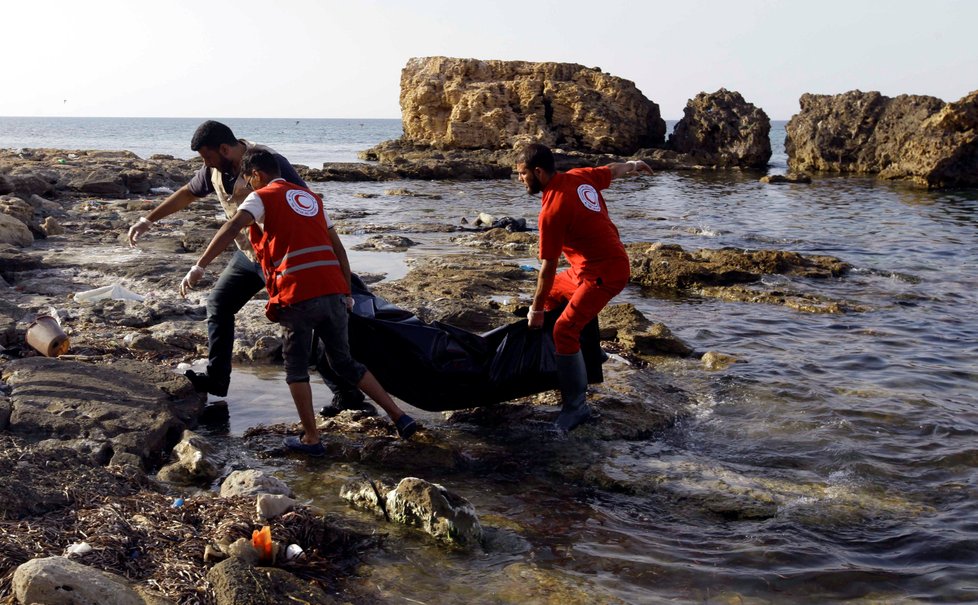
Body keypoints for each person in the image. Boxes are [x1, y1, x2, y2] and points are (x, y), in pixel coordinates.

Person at [180, 148, 418, 455]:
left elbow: (231, 227)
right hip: (333, 290)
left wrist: (199, 266)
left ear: (257, 175)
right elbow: (340, 251)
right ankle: (400, 416)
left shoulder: (262, 196)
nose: (248, 186)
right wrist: (346, 293)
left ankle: (311, 438)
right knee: (344, 362)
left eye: (248, 180)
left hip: (298, 293)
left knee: (295, 369)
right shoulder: (311, 199)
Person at [127, 120, 370, 415]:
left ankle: (347, 395)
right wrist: (148, 220)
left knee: (313, 319)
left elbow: (307, 206)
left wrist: (329, 263)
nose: (205, 164)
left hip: (285, 261)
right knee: (218, 303)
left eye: (207, 157)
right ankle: (217, 379)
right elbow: (187, 193)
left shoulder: (271, 163)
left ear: (225, 148)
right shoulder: (214, 172)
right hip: (250, 256)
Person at [516, 143, 653, 433]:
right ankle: (589, 356)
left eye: (522, 174)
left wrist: (536, 310)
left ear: (538, 172)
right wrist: (632, 163)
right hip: (584, 270)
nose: (520, 180)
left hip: (605, 273)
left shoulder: (552, 209)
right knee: (555, 294)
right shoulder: (579, 175)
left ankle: (576, 407)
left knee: (563, 329)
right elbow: (612, 170)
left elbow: (548, 268)